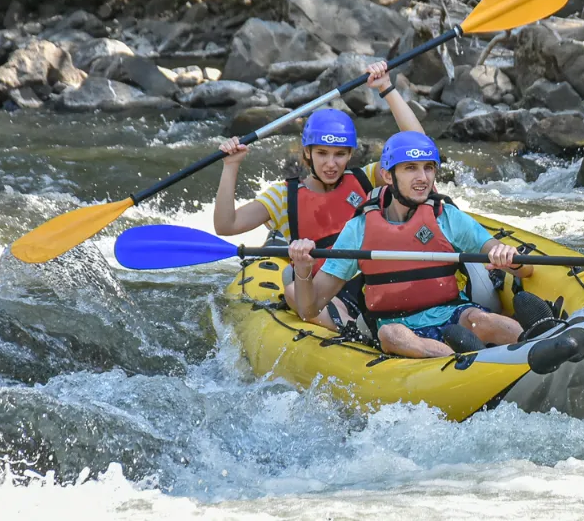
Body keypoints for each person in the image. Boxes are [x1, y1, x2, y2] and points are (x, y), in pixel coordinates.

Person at [212, 61, 424, 330]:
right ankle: (355, 330)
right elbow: (226, 225)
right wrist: (231, 166)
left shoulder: (366, 179)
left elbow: (418, 148)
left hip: (376, 280)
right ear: (307, 154)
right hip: (326, 292)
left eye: (339, 154)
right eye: (322, 153)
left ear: (350, 155)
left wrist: (386, 88)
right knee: (292, 292)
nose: (331, 164)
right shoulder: (284, 196)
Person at [287, 131, 536, 358]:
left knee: (483, 320)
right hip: (394, 324)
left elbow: (524, 270)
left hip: (451, 313)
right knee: (392, 336)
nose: (423, 178)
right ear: (387, 175)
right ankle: (459, 360)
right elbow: (310, 309)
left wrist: (509, 258)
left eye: (429, 168)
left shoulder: (447, 216)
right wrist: (302, 268)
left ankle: (535, 342)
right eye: (410, 168)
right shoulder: (359, 228)